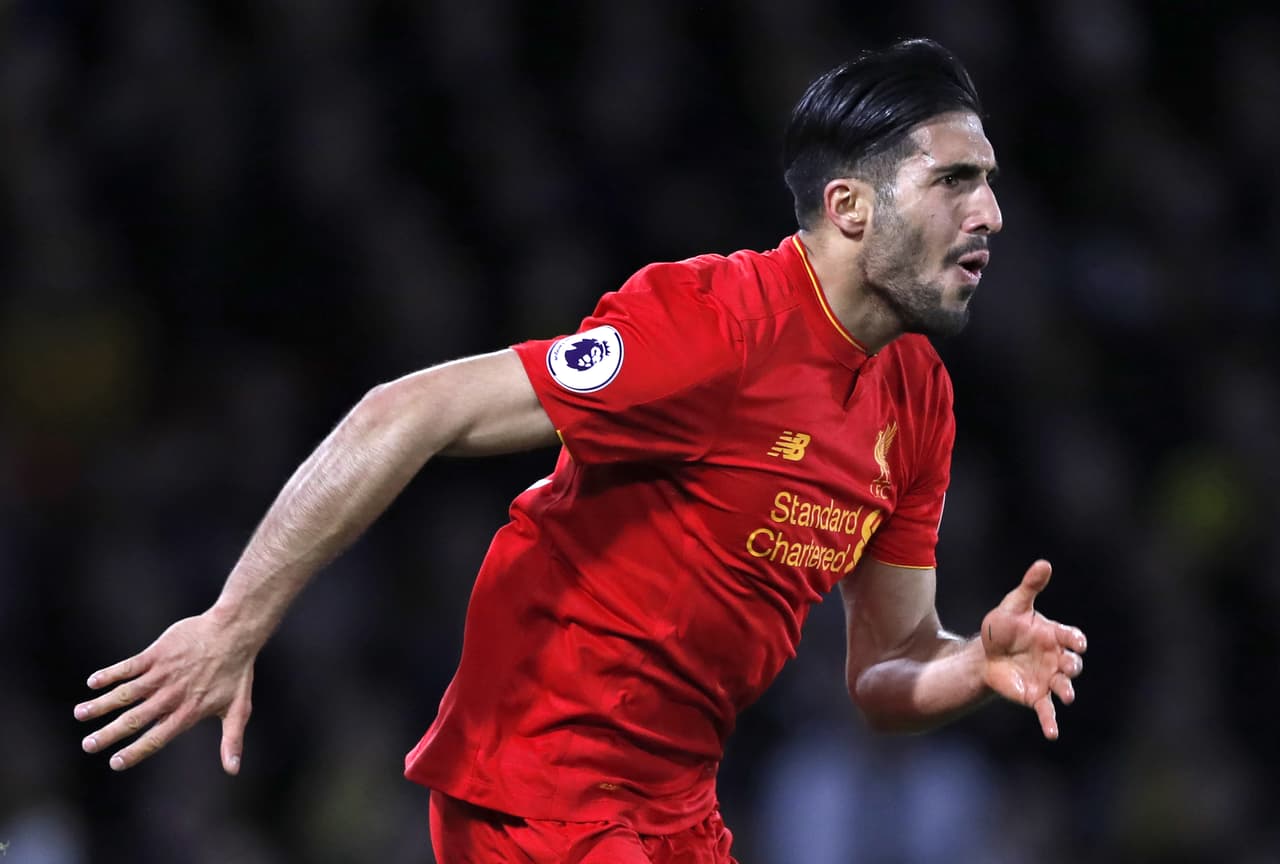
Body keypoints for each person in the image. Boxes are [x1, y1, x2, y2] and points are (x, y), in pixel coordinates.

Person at [75, 38, 1087, 863]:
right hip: (537, 790)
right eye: (953, 180)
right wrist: (232, 624)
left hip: (673, 811)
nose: (988, 213)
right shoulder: (712, 330)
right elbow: (405, 411)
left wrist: (968, 667)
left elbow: (887, 670)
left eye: (987, 183)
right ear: (850, 208)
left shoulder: (916, 400)